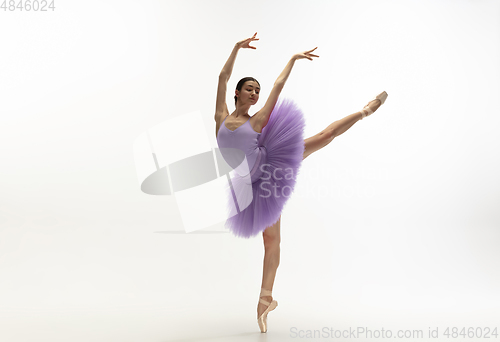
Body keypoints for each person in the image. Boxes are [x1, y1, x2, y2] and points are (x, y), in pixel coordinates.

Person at [214, 33, 388, 333]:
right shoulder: (219, 116)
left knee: (324, 137)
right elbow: (222, 76)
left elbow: (278, 87)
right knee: (270, 240)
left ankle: (364, 110)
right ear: (237, 94)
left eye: (258, 90)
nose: (255, 94)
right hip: (249, 183)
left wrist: (292, 59)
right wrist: (235, 48)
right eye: (250, 89)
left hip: (271, 169)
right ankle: (268, 301)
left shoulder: (257, 121)